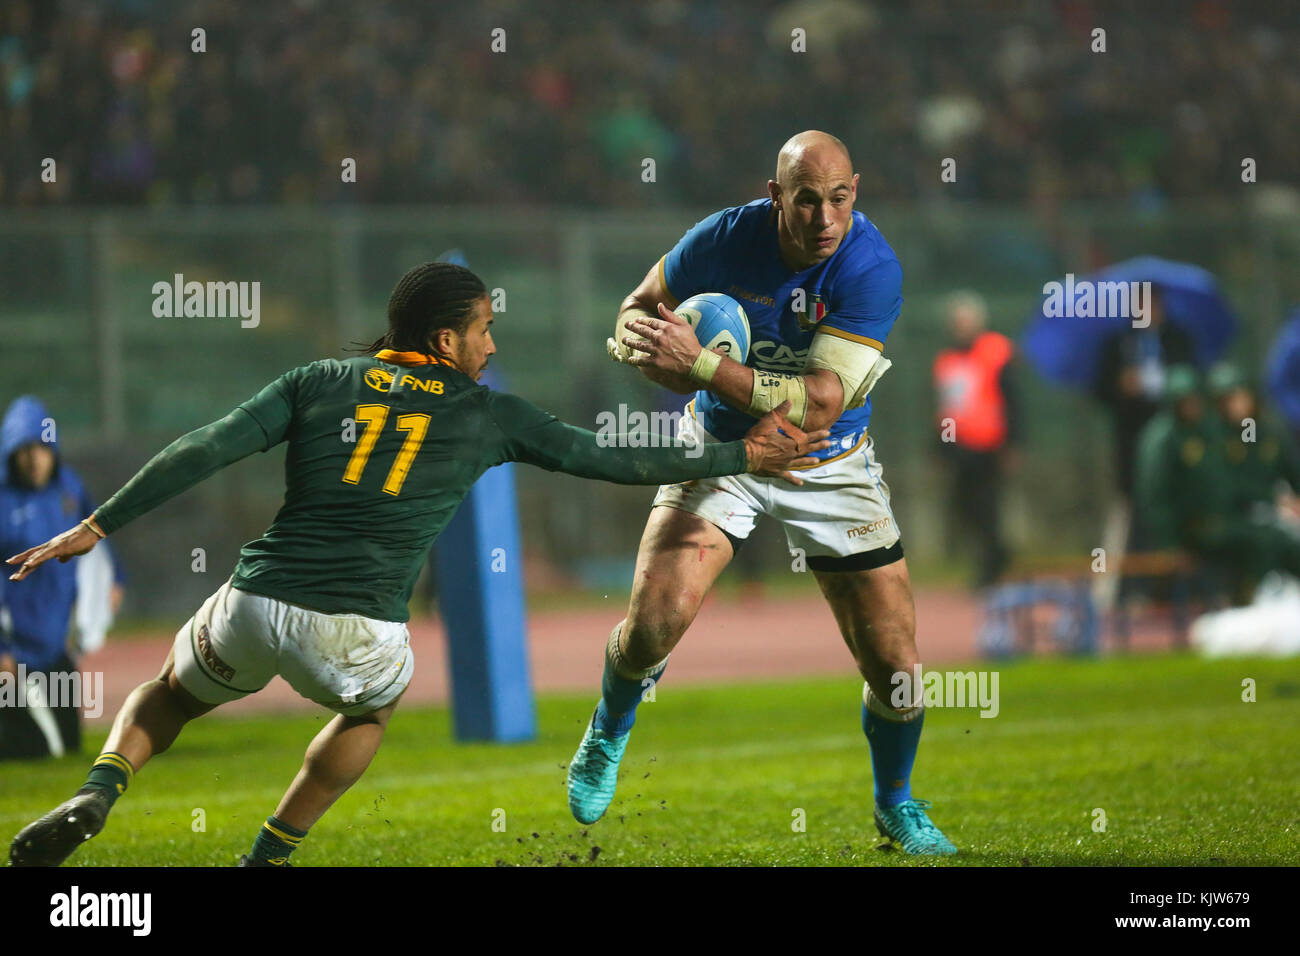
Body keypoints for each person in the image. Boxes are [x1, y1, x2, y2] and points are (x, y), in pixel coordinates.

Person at [6, 261, 826, 867]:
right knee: (371, 711)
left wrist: (97, 525)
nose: (493, 342)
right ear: (447, 340)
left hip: (254, 600)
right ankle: (266, 858)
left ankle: (100, 788)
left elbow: (205, 446)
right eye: (484, 329)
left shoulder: (315, 379)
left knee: (172, 694)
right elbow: (608, 458)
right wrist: (739, 454)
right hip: (357, 632)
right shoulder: (486, 413)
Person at [575, 130, 958, 855]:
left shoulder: (870, 266)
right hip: (721, 450)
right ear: (773, 194)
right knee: (655, 621)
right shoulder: (721, 239)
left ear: (856, 193)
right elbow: (637, 306)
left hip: (828, 461)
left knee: (899, 671)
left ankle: (896, 803)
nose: (824, 220)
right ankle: (607, 732)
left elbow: (820, 404)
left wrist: (702, 366)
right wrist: (638, 344)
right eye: (806, 201)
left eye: (838, 200)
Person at [0, 395, 124, 760]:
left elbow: (96, 537)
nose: (34, 458)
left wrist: (115, 578)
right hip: (12, 649)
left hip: (54, 646)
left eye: (42, 448)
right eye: (24, 450)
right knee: (33, 750)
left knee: (69, 748)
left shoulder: (69, 488)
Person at [1135, 366, 1300, 604]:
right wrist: (1170, 543)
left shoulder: (1261, 432)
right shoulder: (1174, 438)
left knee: (1281, 542)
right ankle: (1251, 601)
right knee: (1264, 541)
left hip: (1246, 516)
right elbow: (1158, 497)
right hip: (1203, 525)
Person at [931, 291, 1021, 589]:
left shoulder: (997, 351)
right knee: (963, 507)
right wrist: (939, 446)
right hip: (959, 446)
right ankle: (999, 555)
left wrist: (1014, 443)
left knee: (988, 508)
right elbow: (945, 406)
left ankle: (992, 567)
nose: (960, 328)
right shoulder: (946, 359)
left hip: (990, 445)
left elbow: (1014, 400)